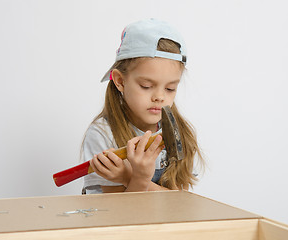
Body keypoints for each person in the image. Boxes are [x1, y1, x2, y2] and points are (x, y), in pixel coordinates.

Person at [81, 18, 204, 194]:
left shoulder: (181, 133)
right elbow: (116, 217)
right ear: (120, 81)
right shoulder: (103, 134)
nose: (160, 97)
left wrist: (128, 177)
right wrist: (138, 178)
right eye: (146, 86)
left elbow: (180, 204)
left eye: (170, 89)